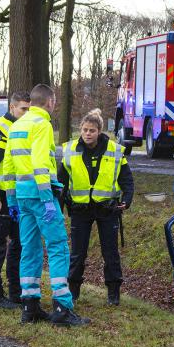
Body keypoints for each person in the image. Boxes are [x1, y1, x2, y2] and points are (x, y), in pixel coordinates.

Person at [6, 84, 89, 326]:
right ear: (50, 103)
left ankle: (30, 306)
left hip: (22, 198)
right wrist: (47, 200)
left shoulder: (16, 125)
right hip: (42, 197)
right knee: (58, 247)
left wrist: (12, 200)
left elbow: (9, 167)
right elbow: (41, 164)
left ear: (31, 102)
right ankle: (62, 307)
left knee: (29, 249)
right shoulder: (42, 125)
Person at [59, 108, 134, 306]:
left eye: (92, 130)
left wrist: (127, 198)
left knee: (110, 253)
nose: (87, 134)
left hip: (107, 209)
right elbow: (61, 182)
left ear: (99, 130)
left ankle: (113, 293)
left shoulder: (114, 150)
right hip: (80, 210)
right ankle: (73, 291)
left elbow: (126, 179)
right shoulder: (70, 150)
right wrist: (59, 207)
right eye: (84, 130)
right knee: (77, 253)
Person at [0, 91, 30, 309]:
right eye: (23, 109)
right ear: (12, 108)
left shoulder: (23, 128)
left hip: (18, 197)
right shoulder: (1, 130)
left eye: (29, 109)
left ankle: (16, 293)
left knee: (19, 245)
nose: (26, 113)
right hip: (1, 198)